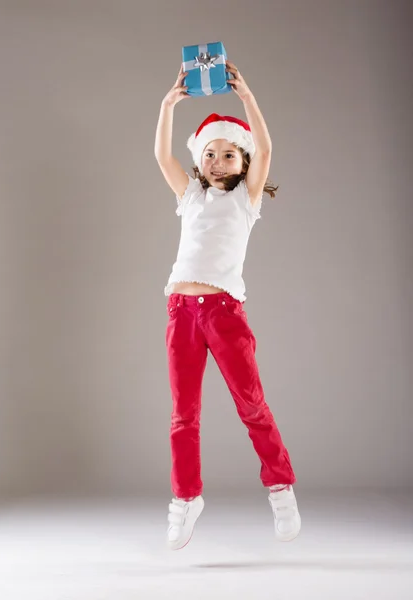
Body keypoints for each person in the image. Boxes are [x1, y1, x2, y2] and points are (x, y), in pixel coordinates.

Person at [154, 60, 301, 551]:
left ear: (244, 163)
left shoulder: (247, 201)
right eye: (211, 154)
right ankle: (185, 498)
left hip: (223, 314)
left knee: (251, 404)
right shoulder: (190, 196)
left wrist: (248, 100)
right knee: (183, 414)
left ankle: (280, 487)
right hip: (181, 311)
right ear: (200, 161)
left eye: (230, 155)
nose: (219, 162)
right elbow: (161, 157)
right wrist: (167, 106)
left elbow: (269, 148)